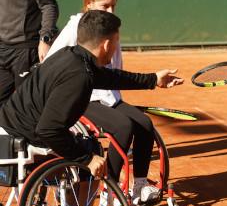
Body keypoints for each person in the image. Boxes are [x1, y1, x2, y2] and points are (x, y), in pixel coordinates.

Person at [0, 10, 183, 186]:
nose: (115, 48)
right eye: (116, 42)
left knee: (85, 148)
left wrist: (153, 80)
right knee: (93, 154)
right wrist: (87, 159)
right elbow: (48, 130)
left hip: (9, 129)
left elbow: (111, 77)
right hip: (23, 142)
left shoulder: (71, 56)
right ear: (105, 45)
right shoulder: (79, 76)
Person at [45, 0, 165, 206]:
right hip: (83, 97)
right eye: (104, 6)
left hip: (108, 95)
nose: (110, 11)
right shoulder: (76, 27)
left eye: (113, 6)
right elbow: (53, 61)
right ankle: (111, 190)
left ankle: (139, 185)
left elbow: (114, 71)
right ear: (88, 4)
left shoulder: (109, 28)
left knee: (145, 124)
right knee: (122, 126)